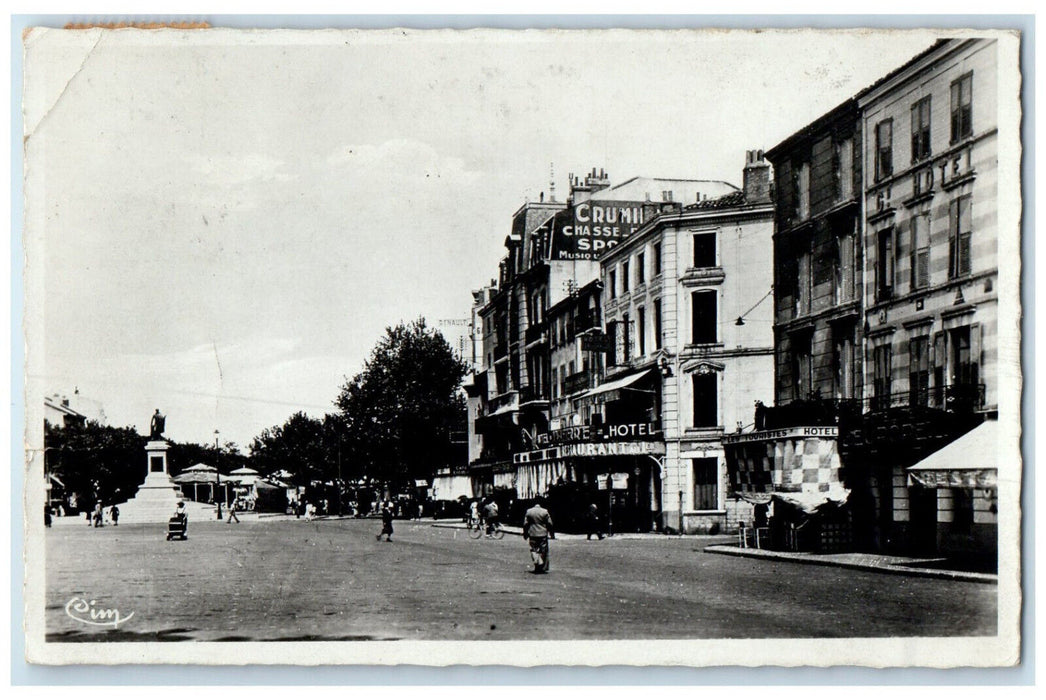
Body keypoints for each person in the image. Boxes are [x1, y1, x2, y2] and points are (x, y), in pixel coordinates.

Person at [523, 496, 554, 574]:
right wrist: (551, 533)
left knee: (533, 549)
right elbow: (550, 523)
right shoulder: (545, 511)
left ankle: (537, 563)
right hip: (542, 533)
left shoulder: (529, 511)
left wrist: (525, 533)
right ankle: (541, 564)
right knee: (543, 550)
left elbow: (525, 524)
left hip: (532, 533)